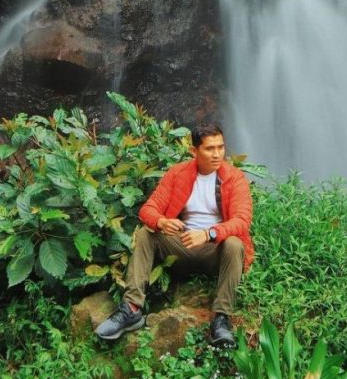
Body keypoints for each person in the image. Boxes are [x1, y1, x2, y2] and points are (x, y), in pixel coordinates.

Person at [95, 121, 254, 347]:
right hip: (182, 246)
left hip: (215, 252)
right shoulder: (178, 174)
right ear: (194, 151)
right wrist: (162, 221)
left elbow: (242, 221)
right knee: (146, 234)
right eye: (210, 149)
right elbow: (147, 210)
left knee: (235, 244)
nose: (217, 154)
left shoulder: (234, 178)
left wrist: (208, 233)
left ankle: (221, 319)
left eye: (220, 147)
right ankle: (131, 309)